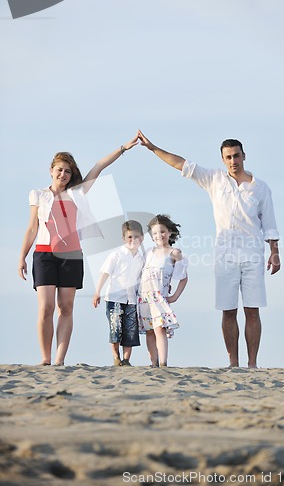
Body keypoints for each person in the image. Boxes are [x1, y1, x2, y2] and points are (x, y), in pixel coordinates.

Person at [138, 130, 280, 368]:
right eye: (228, 157)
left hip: (253, 254)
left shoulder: (261, 188)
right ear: (223, 160)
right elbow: (180, 163)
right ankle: (233, 364)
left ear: (244, 156)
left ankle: (252, 364)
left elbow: (270, 224)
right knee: (228, 310)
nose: (233, 161)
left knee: (252, 310)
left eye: (236, 156)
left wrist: (274, 252)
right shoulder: (214, 179)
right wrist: (153, 148)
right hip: (224, 256)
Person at [18, 135, 139, 366]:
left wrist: (124, 147)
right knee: (46, 307)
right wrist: (21, 257)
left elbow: (99, 165)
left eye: (68, 172)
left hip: (72, 256)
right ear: (51, 170)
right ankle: (45, 358)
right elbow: (32, 227)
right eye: (60, 170)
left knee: (66, 307)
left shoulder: (77, 193)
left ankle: (59, 359)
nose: (63, 175)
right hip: (43, 254)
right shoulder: (38, 194)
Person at [138, 214, 188, 367]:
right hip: (144, 297)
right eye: (155, 233)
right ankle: (153, 362)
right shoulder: (148, 252)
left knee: (160, 328)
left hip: (159, 297)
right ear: (151, 236)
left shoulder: (175, 253)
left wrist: (175, 296)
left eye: (162, 231)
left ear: (170, 232)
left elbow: (184, 277)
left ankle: (163, 363)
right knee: (150, 330)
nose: (159, 235)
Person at [92, 220, 144, 366]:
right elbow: (104, 273)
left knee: (130, 330)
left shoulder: (141, 258)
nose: (133, 240)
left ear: (142, 238)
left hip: (132, 299)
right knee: (116, 328)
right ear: (123, 238)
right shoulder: (116, 255)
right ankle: (116, 357)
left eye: (136, 237)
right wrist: (97, 292)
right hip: (114, 298)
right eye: (129, 237)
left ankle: (126, 360)